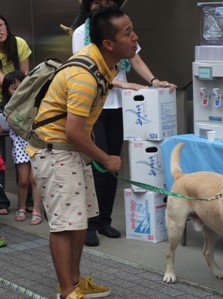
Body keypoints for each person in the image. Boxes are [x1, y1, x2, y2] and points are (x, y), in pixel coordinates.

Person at [26, 6, 137, 299]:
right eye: (128, 33)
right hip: (54, 151)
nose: (135, 37)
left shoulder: (103, 64)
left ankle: (74, 282)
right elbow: (74, 131)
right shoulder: (85, 75)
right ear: (109, 44)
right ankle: (66, 292)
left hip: (70, 151)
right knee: (64, 226)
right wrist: (105, 158)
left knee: (79, 220)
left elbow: (77, 129)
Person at [72, 0, 177, 247]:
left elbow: (136, 59)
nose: (102, 6)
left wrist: (154, 80)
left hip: (120, 106)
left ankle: (105, 219)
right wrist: (122, 83)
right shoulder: (82, 33)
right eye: (97, 2)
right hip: (94, 107)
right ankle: (91, 222)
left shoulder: (121, 29)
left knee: (113, 164)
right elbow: (85, 70)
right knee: (98, 164)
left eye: (107, 2)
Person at [0, 14, 34, 214]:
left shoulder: (19, 43)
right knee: (0, 157)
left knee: (26, 153)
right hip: (0, 105)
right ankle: (2, 202)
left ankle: (29, 202)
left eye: (2, 25)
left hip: (20, 105)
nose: (0, 30)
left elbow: (26, 77)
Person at [1, 70, 42, 225]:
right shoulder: (7, 107)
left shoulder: (34, 101)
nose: (18, 91)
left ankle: (37, 210)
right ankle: (22, 207)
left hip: (36, 142)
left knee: (34, 178)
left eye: (21, 86)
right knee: (24, 180)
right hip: (20, 145)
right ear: (7, 91)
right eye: (13, 88)